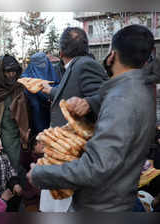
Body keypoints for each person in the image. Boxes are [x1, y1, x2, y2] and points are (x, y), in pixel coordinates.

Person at [27, 24, 157, 212]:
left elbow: (98, 167)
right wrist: (90, 103)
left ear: (112, 54)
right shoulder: (140, 89)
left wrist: (42, 173)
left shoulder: (122, 98)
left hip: (103, 203)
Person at [38, 27, 108, 212]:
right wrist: (50, 90)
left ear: (61, 52)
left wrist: (89, 103)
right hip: (63, 153)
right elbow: (71, 94)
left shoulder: (86, 65)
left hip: (74, 152)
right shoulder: (76, 66)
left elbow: (106, 97)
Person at [0, 54, 30, 181]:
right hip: (1, 131)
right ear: (1, 72)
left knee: (17, 164)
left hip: (18, 131)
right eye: (8, 72)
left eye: (14, 71)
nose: (11, 74)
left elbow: (26, 110)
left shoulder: (19, 86)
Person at [21, 52, 61, 136]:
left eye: (43, 63)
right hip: (35, 118)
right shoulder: (26, 78)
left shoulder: (55, 73)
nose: (41, 66)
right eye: (38, 64)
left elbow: (58, 88)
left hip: (54, 115)